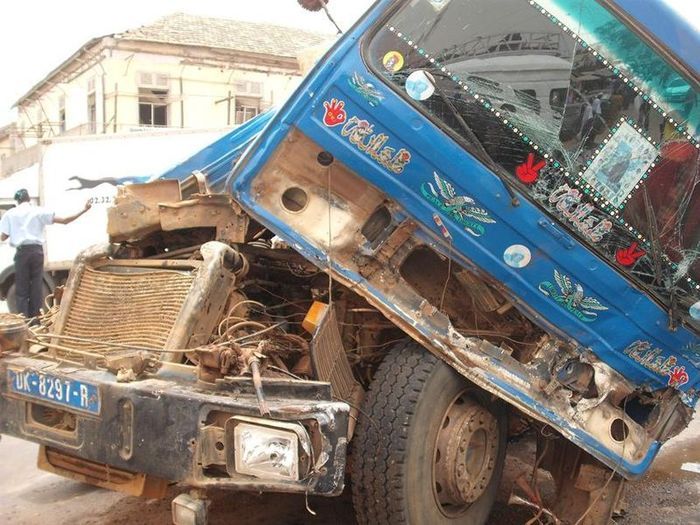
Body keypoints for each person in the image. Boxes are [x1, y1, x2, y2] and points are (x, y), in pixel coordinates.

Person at [0, 189, 91, 318]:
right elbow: (65, 220)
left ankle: (23, 320)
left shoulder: (10, 214)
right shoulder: (39, 211)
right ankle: (35, 320)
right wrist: (84, 209)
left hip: (22, 253)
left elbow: (3, 237)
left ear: (17, 200)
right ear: (28, 199)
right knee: (36, 286)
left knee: (21, 288)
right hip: (37, 252)